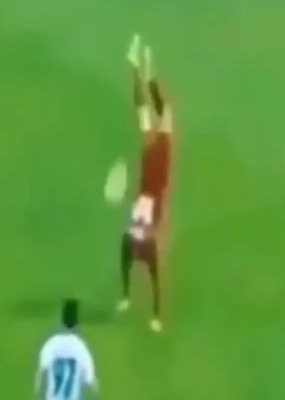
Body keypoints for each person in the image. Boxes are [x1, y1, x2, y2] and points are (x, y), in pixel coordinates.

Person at [117, 33, 175, 334]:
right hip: (152, 177)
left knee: (150, 117)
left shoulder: (163, 141)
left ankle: (138, 69)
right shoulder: (163, 144)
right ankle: (140, 70)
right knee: (151, 116)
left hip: (152, 179)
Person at [35, 299, 98, 400]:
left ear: (61, 321)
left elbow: (43, 376)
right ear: (77, 324)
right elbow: (90, 384)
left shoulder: (51, 344)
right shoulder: (81, 348)